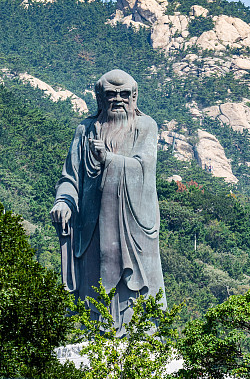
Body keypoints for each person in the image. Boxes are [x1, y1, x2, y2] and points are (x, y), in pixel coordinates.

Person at [49, 69, 165, 334]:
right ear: (100, 98)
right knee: (95, 282)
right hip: (92, 226)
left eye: (124, 95)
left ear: (134, 97)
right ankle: (96, 332)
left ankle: (139, 334)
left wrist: (109, 160)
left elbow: (145, 167)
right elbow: (71, 177)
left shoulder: (145, 126)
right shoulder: (85, 130)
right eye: (111, 95)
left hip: (131, 224)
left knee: (131, 284)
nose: (118, 100)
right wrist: (64, 202)